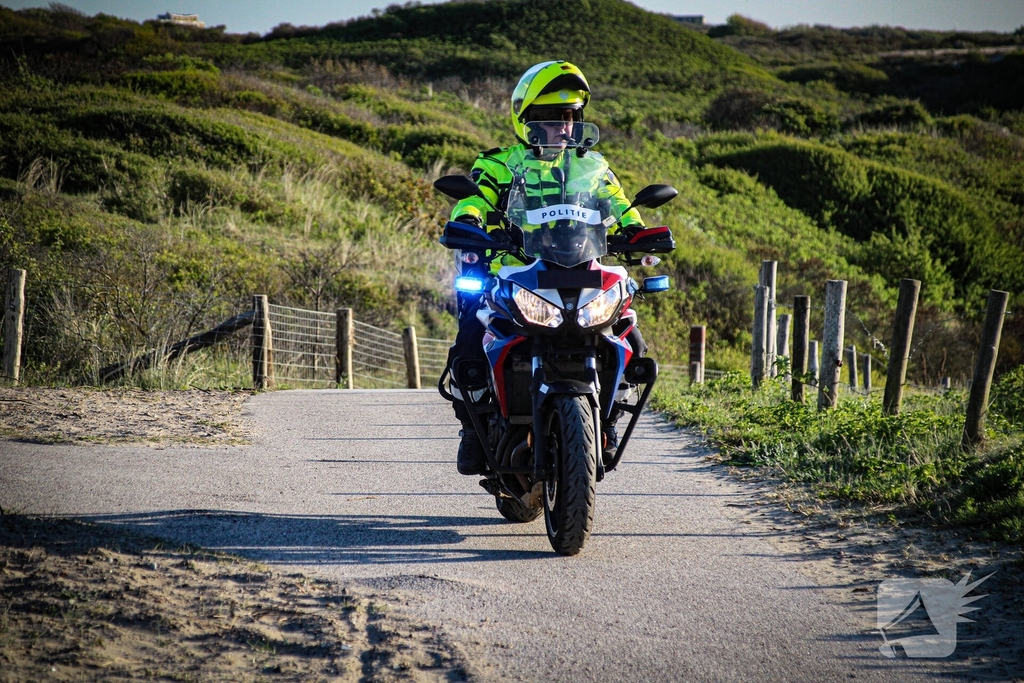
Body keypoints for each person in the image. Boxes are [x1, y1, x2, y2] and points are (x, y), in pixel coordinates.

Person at [446, 60, 647, 475]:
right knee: (469, 343)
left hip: (582, 273)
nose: (565, 127)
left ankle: (604, 423)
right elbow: (475, 199)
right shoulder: (499, 164)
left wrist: (639, 233)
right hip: (514, 277)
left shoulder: (593, 169)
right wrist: (468, 220)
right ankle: (472, 427)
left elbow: (621, 206)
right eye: (554, 118)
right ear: (527, 120)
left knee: (633, 343)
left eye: (572, 116)